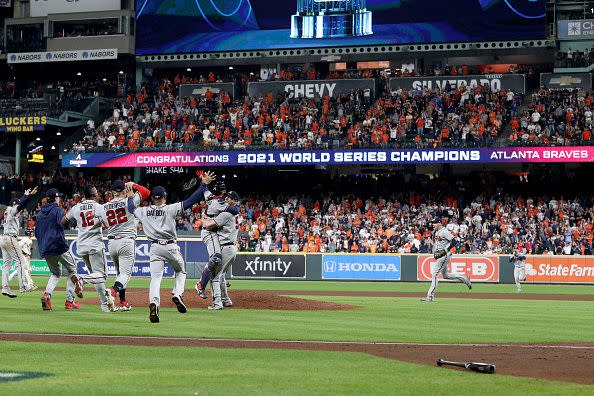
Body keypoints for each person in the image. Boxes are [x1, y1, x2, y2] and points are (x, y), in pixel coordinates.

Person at [127, 171, 215, 323]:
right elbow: (191, 200)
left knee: (155, 278)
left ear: (153, 199)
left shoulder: (144, 211)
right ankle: (177, 293)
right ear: (165, 197)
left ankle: (154, 303)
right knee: (181, 271)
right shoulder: (170, 208)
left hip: (154, 248)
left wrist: (130, 193)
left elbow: (130, 208)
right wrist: (203, 185)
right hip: (170, 246)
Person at [64, 185, 115, 312]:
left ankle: (104, 305)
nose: (98, 194)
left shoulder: (76, 208)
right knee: (102, 276)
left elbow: (63, 220)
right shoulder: (98, 207)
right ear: (93, 194)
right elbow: (109, 223)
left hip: (81, 246)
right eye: (96, 193)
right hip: (95, 245)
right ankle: (81, 279)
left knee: (96, 276)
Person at [102, 180, 150, 311]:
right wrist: (133, 185)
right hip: (126, 241)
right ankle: (112, 291)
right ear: (124, 191)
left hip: (111, 243)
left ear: (112, 192)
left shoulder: (104, 206)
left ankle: (123, 301)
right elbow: (146, 192)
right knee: (125, 275)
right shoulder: (130, 200)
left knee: (119, 274)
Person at [35, 188, 78, 310]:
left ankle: (47, 294)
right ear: (55, 198)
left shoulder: (38, 214)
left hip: (45, 248)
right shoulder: (58, 210)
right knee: (72, 270)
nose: (59, 199)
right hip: (59, 246)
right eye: (58, 197)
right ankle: (70, 301)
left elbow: (37, 233)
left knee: (55, 273)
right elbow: (64, 224)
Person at [195, 179, 239, 299]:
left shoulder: (210, 196)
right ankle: (201, 285)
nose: (225, 196)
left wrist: (203, 182)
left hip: (211, 229)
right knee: (216, 259)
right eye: (224, 192)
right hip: (209, 231)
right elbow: (236, 210)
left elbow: (204, 189)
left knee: (218, 262)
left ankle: (221, 280)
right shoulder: (220, 203)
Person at [421, 219, 472, 302]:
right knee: (446, 275)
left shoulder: (444, 231)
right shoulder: (437, 232)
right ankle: (465, 279)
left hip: (444, 255)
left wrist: (446, 249)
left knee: (435, 274)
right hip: (441, 255)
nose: (433, 225)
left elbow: (454, 241)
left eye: (434, 223)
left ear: (439, 223)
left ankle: (430, 296)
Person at [1, 186, 38, 298]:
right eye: (17, 204)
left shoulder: (9, 211)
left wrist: (29, 196)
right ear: (14, 204)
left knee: (6, 265)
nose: (19, 206)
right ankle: (24, 286)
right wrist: (26, 195)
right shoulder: (11, 209)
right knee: (21, 262)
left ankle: (5, 288)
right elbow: (20, 205)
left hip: (4, 238)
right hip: (10, 238)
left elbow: (22, 206)